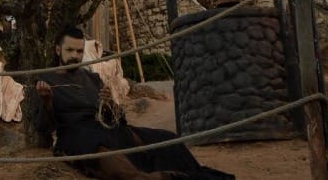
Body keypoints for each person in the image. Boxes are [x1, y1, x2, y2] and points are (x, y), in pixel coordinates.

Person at [36, 26, 233, 180]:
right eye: (70, 50)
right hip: (79, 137)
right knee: (127, 173)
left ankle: (192, 175)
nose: (75, 56)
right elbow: (43, 128)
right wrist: (47, 102)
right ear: (57, 49)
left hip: (108, 131)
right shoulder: (46, 79)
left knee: (168, 140)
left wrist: (109, 104)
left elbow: (114, 119)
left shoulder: (92, 77)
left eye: (79, 51)